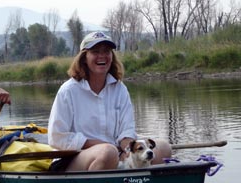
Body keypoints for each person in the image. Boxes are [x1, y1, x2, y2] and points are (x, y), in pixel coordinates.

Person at [48, 31, 171, 171]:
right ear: (84, 58)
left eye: (107, 51)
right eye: (95, 51)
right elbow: (56, 137)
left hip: (114, 154)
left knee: (164, 148)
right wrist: (101, 145)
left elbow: (127, 131)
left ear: (112, 57)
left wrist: (127, 150)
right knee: (107, 152)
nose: (102, 56)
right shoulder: (68, 91)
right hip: (72, 160)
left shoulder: (120, 89)